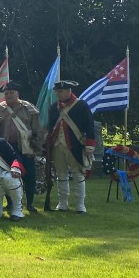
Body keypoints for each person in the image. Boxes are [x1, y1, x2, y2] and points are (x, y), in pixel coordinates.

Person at [0, 81, 44, 212]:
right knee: (9, 175)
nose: (9, 95)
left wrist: (36, 147)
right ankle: (11, 203)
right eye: (6, 93)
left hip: (26, 147)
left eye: (11, 93)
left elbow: (38, 129)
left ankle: (30, 203)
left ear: (18, 94)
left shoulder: (29, 108)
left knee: (29, 176)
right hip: (7, 148)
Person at [46, 80, 96, 213]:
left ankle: (80, 205)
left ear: (69, 91)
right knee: (61, 174)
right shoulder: (53, 107)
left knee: (78, 174)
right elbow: (50, 127)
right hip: (57, 145)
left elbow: (90, 126)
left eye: (60, 92)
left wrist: (89, 145)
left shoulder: (81, 105)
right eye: (57, 92)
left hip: (75, 144)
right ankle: (63, 203)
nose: (58, 94)